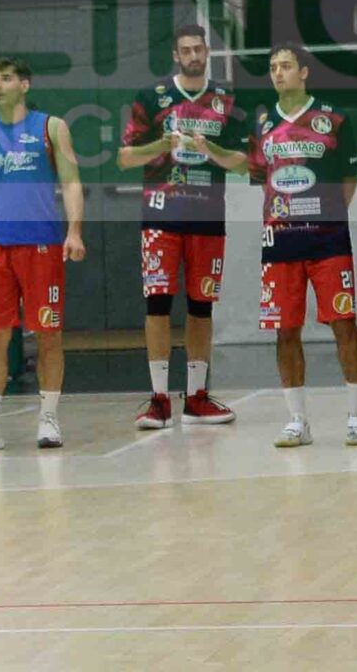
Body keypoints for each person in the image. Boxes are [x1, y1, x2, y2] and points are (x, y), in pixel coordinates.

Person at [0, 57, 86, 453]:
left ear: (24, 85)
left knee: (48, 334)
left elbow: (72, 182)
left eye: (6, 78)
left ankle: (48, 417)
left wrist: (74, 231)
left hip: (41, 245)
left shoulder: (51, 127)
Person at [116, 26, 247, 430]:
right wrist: (162, 144)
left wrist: (211, 148)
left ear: (207, 52)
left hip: (207, 217)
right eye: (185, 50)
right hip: (161, 216)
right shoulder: (151, 97)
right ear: (175, 55)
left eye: (198, 49)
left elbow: (244, 162)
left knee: (201, 306)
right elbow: (124, 158)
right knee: (157, 303)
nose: (193, 55)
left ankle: (196, 397)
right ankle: (159, 399)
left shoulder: (227, 101)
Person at [250, 47, 357, 449]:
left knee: (343, 323)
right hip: (279, 241)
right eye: (272, 68)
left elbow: (349, 178)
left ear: (303, 72)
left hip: (327, 239)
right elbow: (261, 179)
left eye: (285, 66)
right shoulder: (262, 123)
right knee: (285, 330)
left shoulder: (333, 118)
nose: (278, 73)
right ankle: (297, 420)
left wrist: (329, 215)